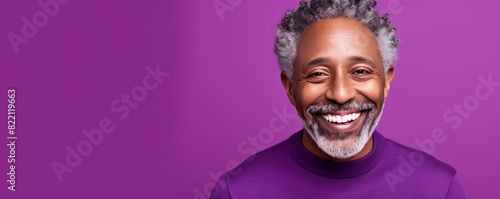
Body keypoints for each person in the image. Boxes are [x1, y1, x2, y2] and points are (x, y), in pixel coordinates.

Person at [210, 0, 468, 198]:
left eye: (360, 71)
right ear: (290, 88)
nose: (341, 94)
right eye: (318, 74)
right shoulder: (239, 190)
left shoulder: (438, 188)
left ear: (386, 81)